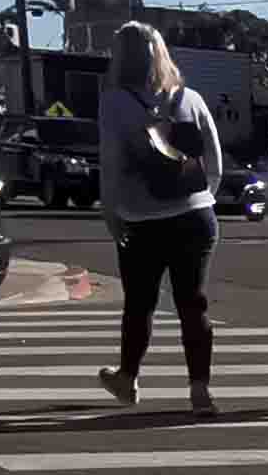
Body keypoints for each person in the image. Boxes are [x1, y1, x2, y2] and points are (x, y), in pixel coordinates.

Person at [93, 23, 226, 414]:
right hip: (197, 216)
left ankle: (128, 379)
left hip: (141, 218)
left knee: (139, 303)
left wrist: (111, 213)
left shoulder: (114, 102)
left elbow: (111, 163)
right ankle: (200, 392)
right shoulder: (192, 98)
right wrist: (199, 199)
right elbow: (214, 162)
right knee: (193, 304)